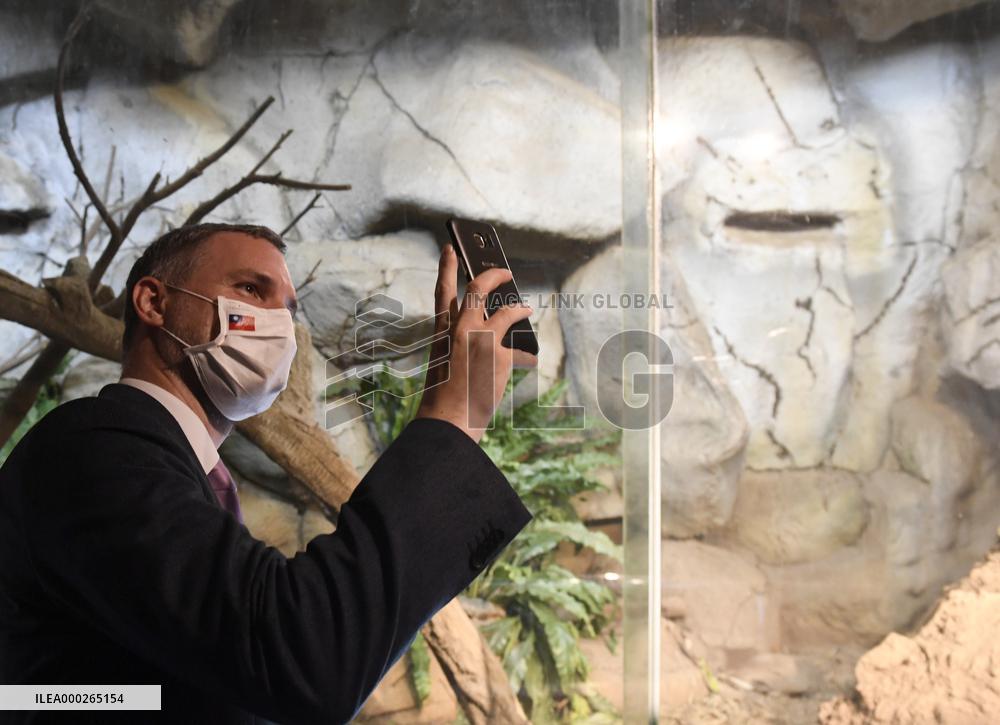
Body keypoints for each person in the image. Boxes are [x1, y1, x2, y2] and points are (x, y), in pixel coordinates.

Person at [0, 222, 538, 724]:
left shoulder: (179, 472)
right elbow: (299, 651)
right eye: (252, 290)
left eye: (289, 307)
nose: (280, 324)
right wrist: (455, 417)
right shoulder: (94, 450)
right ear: (153, 302)